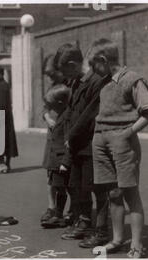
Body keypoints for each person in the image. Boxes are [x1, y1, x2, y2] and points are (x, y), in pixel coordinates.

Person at [90, 38, 148, 258]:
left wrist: (127, 133)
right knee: (113, 193)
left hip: (122, 141)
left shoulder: (133, 79)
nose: (92, 70)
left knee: (130, 193)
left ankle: (137, 245)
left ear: (103, 60)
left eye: (94, 65)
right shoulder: (104, 82)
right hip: (101, 139)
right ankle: (117, 239)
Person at [54, 43, 111, 248]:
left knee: (96, 188)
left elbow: (90, 114)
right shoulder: (77, 82)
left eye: (65, 70)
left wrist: (71, 135)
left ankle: (102, 231)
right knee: (76, 186)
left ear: (73, 64)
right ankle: (85, 223)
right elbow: (71, 112)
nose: (64, 75)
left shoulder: (96, 81)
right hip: (77, 144)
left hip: (90, 144)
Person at [41, 83, 72, 228]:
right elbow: (46, 105)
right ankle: (55, 212)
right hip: (55, 155)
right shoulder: (59, 111)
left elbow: (68, 141)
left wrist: (65, 161)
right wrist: (47, 117)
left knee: (64, 187)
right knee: (56, 184)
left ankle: (63, 214)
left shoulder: (66, 117)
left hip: (61, 158)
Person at [0, 67, 18, 174]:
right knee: (8, 141)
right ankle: (7, 165)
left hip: (1, 118)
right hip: (6, 118)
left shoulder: (1, 87)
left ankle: (2, 164)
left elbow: (1, 104)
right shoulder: (5, 85)